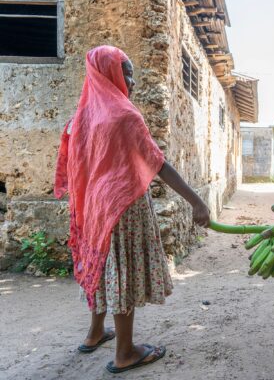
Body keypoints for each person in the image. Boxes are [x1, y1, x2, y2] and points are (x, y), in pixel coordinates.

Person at [54, 45, 211, 373]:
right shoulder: (124, 115)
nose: (133, 82)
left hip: (94, 209)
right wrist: (196, 201)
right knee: (121, 273)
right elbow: (159, 163)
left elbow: (73, 167)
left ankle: (95, 333)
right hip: (124, 206)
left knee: (102, 269)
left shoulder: (80, 118)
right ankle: (125, 351)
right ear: (108, 73)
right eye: (127, 73)